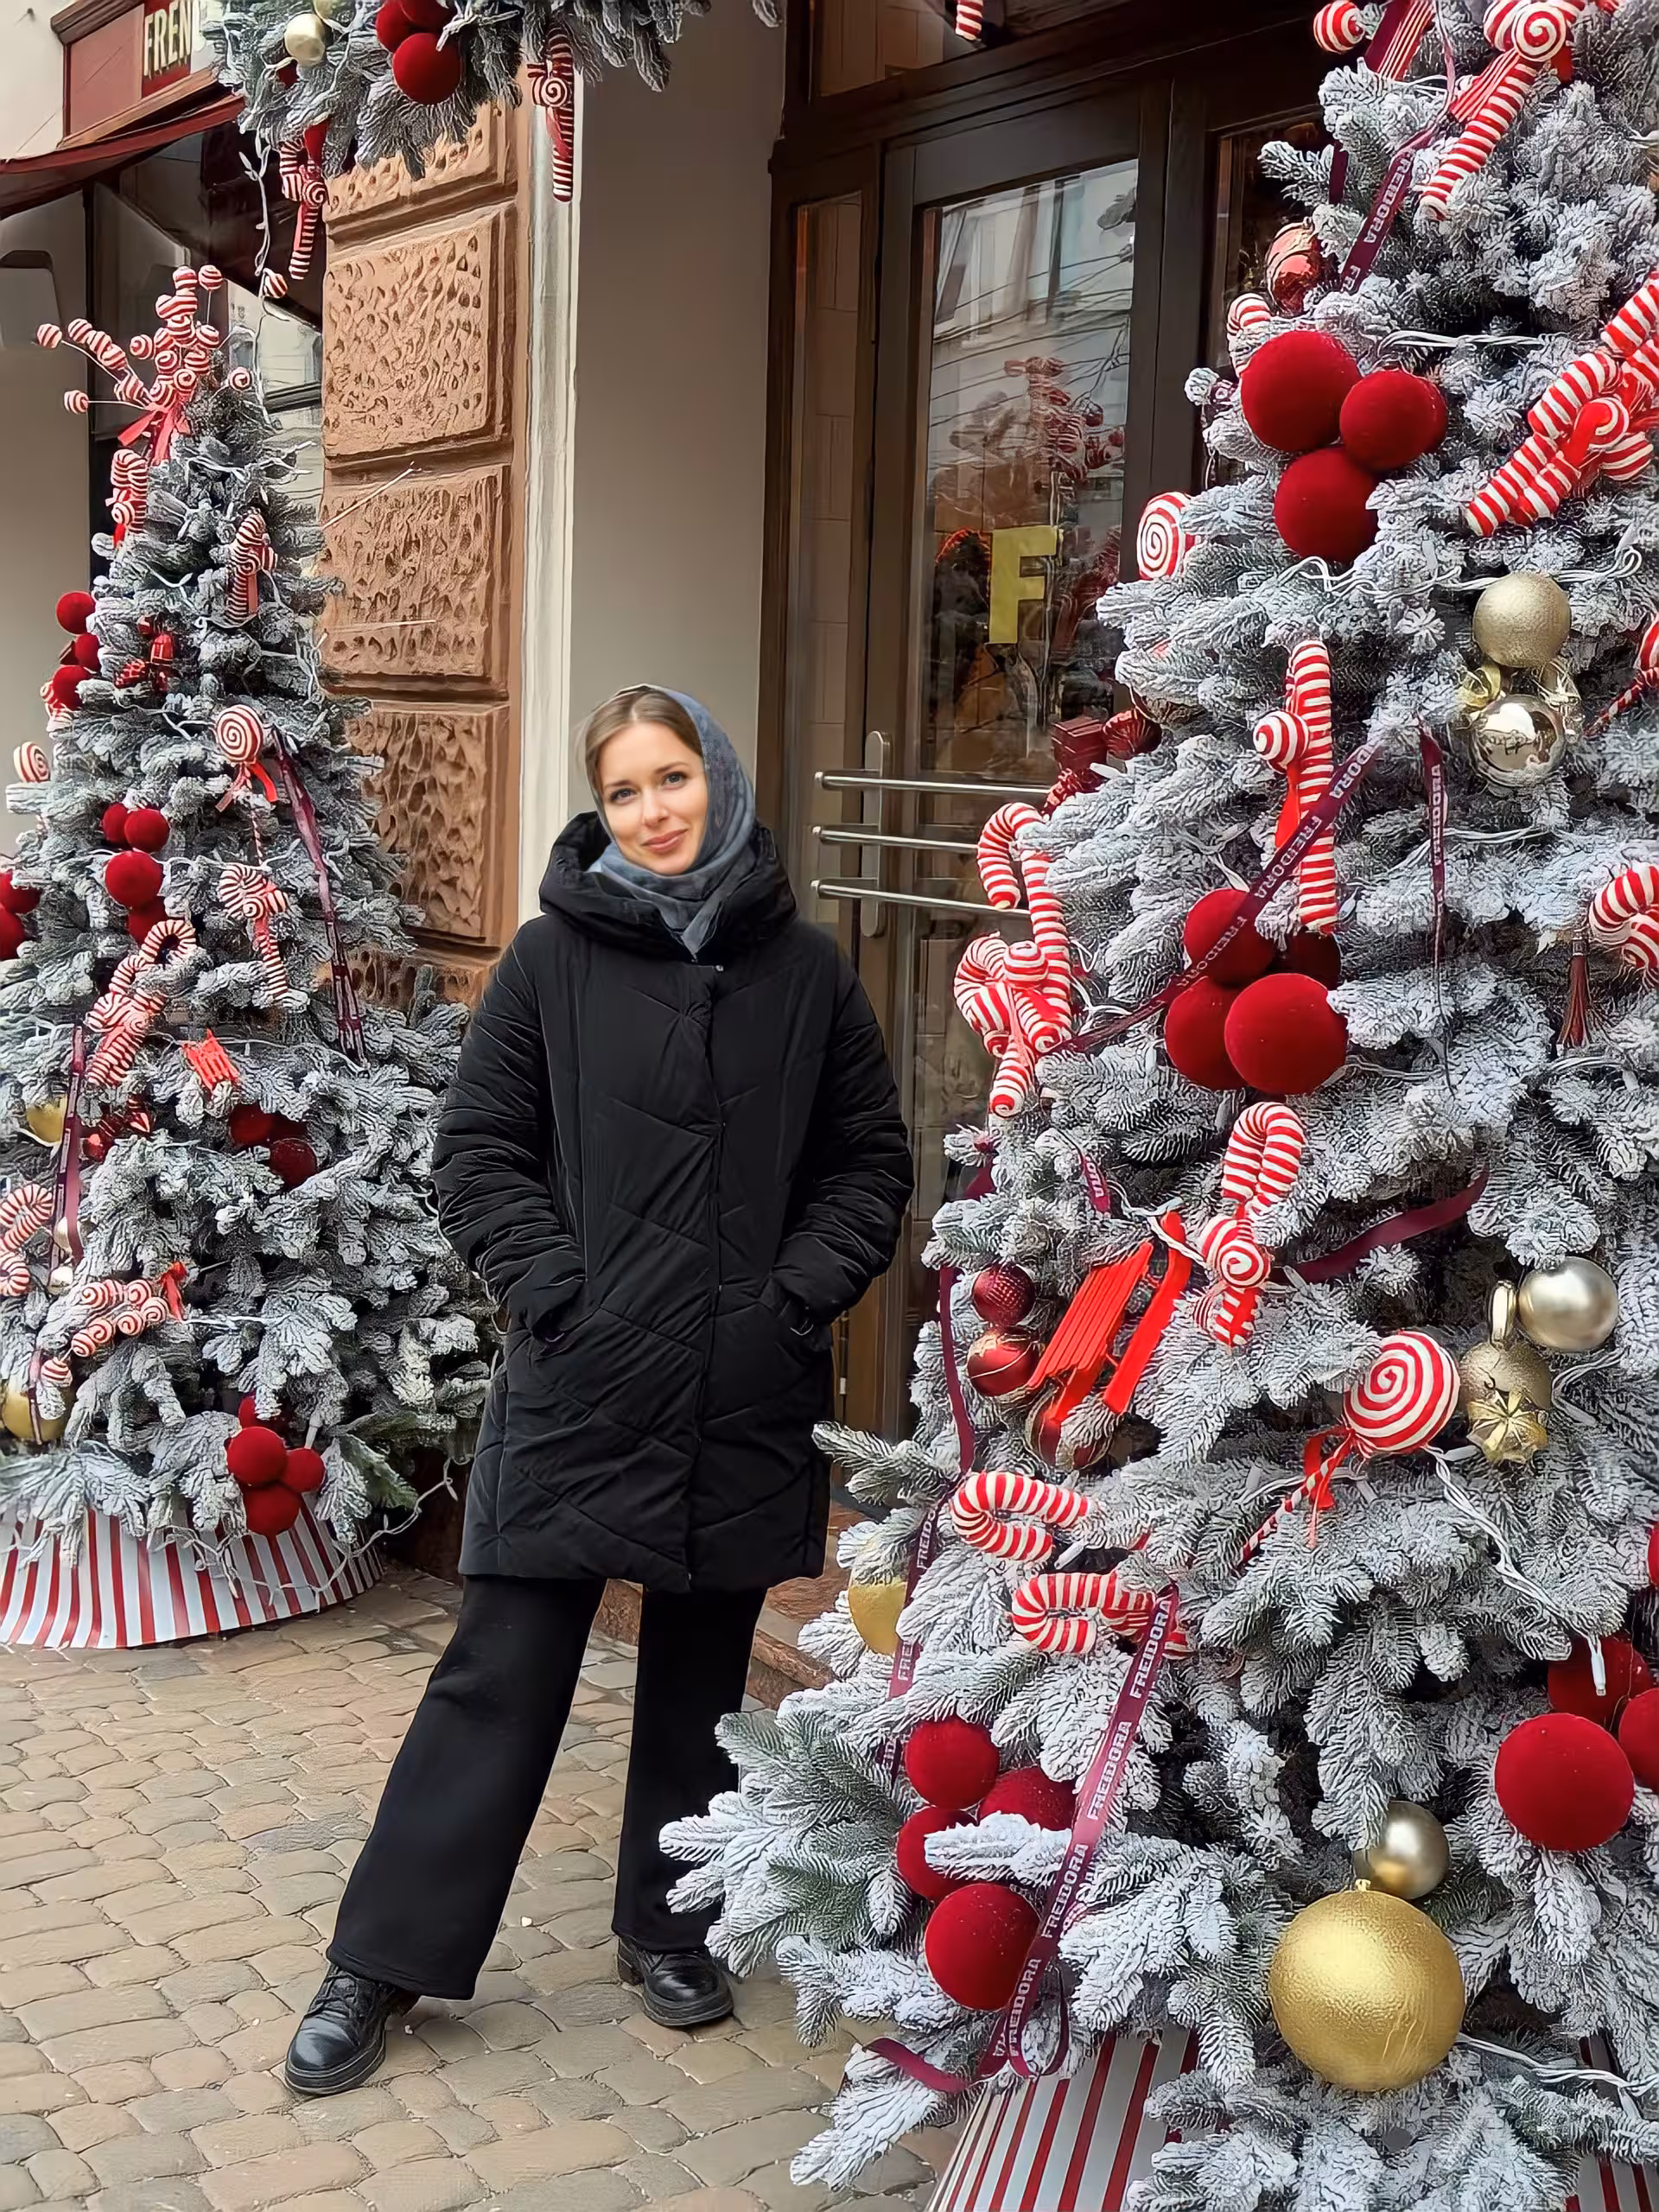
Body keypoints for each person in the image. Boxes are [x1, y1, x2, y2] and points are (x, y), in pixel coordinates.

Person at [283, 687, 912, 2094]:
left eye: (672, 778)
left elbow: (869, 1162)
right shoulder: (550, 961)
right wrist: (556, 1295)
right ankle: (378, 1963)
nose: (653, 811)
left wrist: (792, 1301)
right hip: (579, 1380)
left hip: (744, 1385)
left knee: (700, 1678)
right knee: (497, 1679)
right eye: (624, 790)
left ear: (719, 780)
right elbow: (477, 1152)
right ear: (602, 809)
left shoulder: (808, 973)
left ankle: (669, 1925)